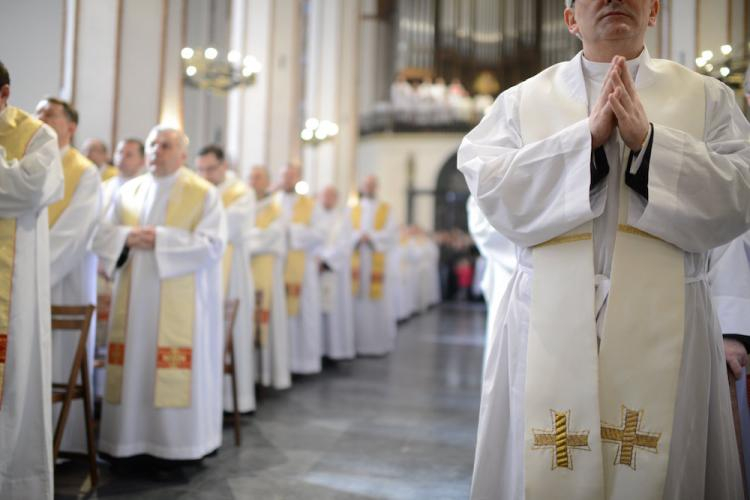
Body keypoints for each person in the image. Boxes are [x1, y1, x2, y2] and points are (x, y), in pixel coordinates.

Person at [458, 0, 750, 498]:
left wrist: (649, 144)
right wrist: (585, 143)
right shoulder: (520, 102)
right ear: (571, 19)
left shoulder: (707, 99)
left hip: (670, 321)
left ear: (654, 11)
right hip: (550, 320)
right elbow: (491, 189)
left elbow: (740, 192)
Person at [95, 125, 226, 461]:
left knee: (168, 366)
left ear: (183, 155)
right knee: (133, 363)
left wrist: (161, 239)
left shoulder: (203, 193)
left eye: (166, 146)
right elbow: (103, 234)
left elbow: (213, 245)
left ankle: (175, 448)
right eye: (153, 144)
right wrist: (127, 236)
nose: (157, 151)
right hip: (133, 301)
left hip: (179, 303)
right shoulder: (128, 191)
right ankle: (127, 444)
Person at [0, 60, 63, 500]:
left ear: (3, 95)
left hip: (12, 288)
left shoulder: (37, 135)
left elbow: (30, 188)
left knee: (14, 383)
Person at [36, 96, 102, 454]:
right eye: (38, 111)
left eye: (50, 113)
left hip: (64, 283)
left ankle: (60, 446)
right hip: (22, 281)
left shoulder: (85, 171)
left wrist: (30, 274)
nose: (41, 116)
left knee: (58, 364)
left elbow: (75, 233)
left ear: (71, 126)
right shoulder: (26, 162)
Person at [196, 144, 257, 413]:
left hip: (231, 270)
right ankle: (205, 398)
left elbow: (230, 226)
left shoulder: (241, 192)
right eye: (201, 169)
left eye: (211, 169)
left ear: (224, 167)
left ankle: (235, 401)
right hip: (201, 268)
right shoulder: (198, 190)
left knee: (232, 331)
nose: (206, 175)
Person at [276, 165, 325, 374]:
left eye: (290, 176)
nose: (286, 179)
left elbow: (319, 234)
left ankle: (303, 363)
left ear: (297, 179)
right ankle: (281, 363)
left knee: (303, 315)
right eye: (283, 176)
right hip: (277, 267)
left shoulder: (311, 205)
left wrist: (291, 232)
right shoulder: (272, 202)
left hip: (302, 268)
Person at [248, 166, 291, 390]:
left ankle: (265, 374)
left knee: (267, 320)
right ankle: (249, 374)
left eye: (257, 177)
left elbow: (271, 237)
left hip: (267, 272)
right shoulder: (244, 204)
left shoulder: (276, 208)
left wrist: (246, 240)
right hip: (245, 271)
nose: (252, 181)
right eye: (251, 177)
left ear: (267, 181)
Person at [350, 175, 397, 355]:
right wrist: (357, 237)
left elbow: (391, 234)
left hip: (375, 258)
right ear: (361, 186)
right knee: (357, 300)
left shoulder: (386, 209)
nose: (368, 187)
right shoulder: (352, 209)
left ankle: (377, 344)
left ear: (376, 187)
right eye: (366, 184)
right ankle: (356, 344)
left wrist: (371, 237)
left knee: (377, 302)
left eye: (372, 185)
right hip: (357, 259)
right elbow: (346, 233)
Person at [316, 185, 355, 360]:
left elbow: (344, 245)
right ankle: (317, 351)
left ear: (336, 199)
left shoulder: (343, 219)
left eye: (331, 195)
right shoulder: (313, 216)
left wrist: (325, 260)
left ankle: (334, 351)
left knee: (333, 312)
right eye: (324, 195)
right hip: (313, 270)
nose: (327, 199)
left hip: (332, 271)